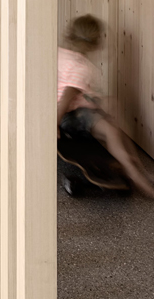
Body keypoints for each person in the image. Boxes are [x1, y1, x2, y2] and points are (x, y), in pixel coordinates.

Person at [57, 14, 154, 198]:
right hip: (71, 115)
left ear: (70, 34)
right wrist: (55, 122)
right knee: (112, 131)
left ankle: (131, 160)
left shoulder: (58, 53)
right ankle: (134, 171)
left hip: (71, 110)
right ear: (95, 43)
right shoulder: (81, 67)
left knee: (112, 106)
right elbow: (67, 97)